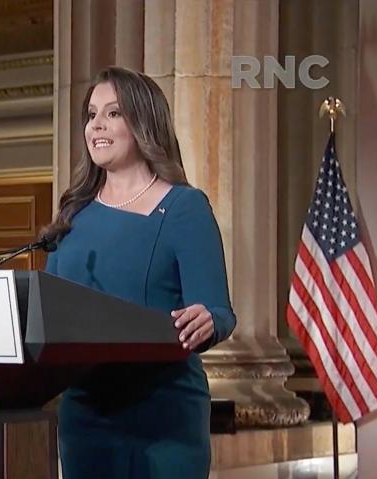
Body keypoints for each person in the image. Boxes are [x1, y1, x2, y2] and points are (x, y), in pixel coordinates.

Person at [42, 66, 237, 478]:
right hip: (86, 417)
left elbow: (218, 310)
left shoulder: (185, 208)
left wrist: (207, 319)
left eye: (112, 113)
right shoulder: (72, 217)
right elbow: (49, 314)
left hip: (164, 417)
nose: (97, 124)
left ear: (144, 122)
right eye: (91, 115)